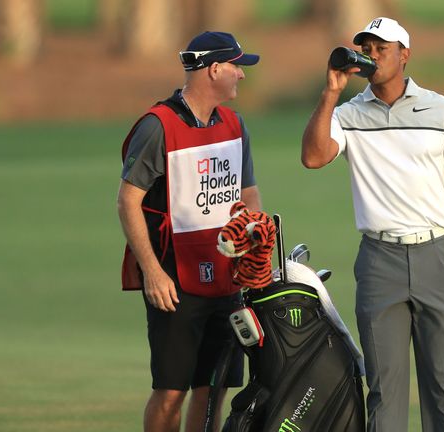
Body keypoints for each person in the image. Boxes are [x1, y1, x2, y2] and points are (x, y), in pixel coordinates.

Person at [301, 17, 444, 432]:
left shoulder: (442, 110)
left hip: (436, 256)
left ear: (404, 54)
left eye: (381, 48)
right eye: (366, 48)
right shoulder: (348, 114)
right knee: (384, 388)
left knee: (442, 385)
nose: (371, 55)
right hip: (379, 259)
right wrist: (331, 93)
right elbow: (313, 157)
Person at [117, 31, 261, 432]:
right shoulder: (157, 125)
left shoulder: (234, 124)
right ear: (214, 69)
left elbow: (248, 193)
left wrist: (255, 240)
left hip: (228, 279)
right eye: (236, 66)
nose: (241, 75)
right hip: (174, 281)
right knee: (171, 390)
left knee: (213, 389)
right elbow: (127, 201)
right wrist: (152, 271)